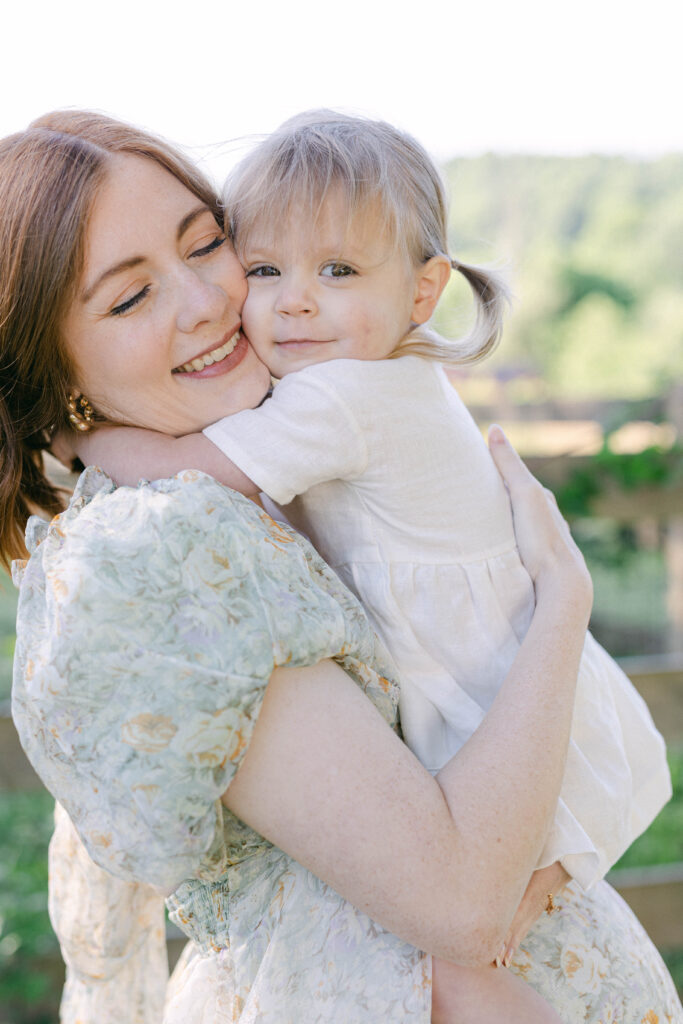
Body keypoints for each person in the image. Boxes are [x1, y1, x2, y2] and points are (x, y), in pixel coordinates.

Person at [3, 110, 680, 1024]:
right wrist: (564, 601)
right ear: (51, 372)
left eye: (208, 246)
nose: (209, 301)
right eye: (128, 299)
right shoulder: (167, 551)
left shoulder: (268, 450)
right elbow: (459, 907)